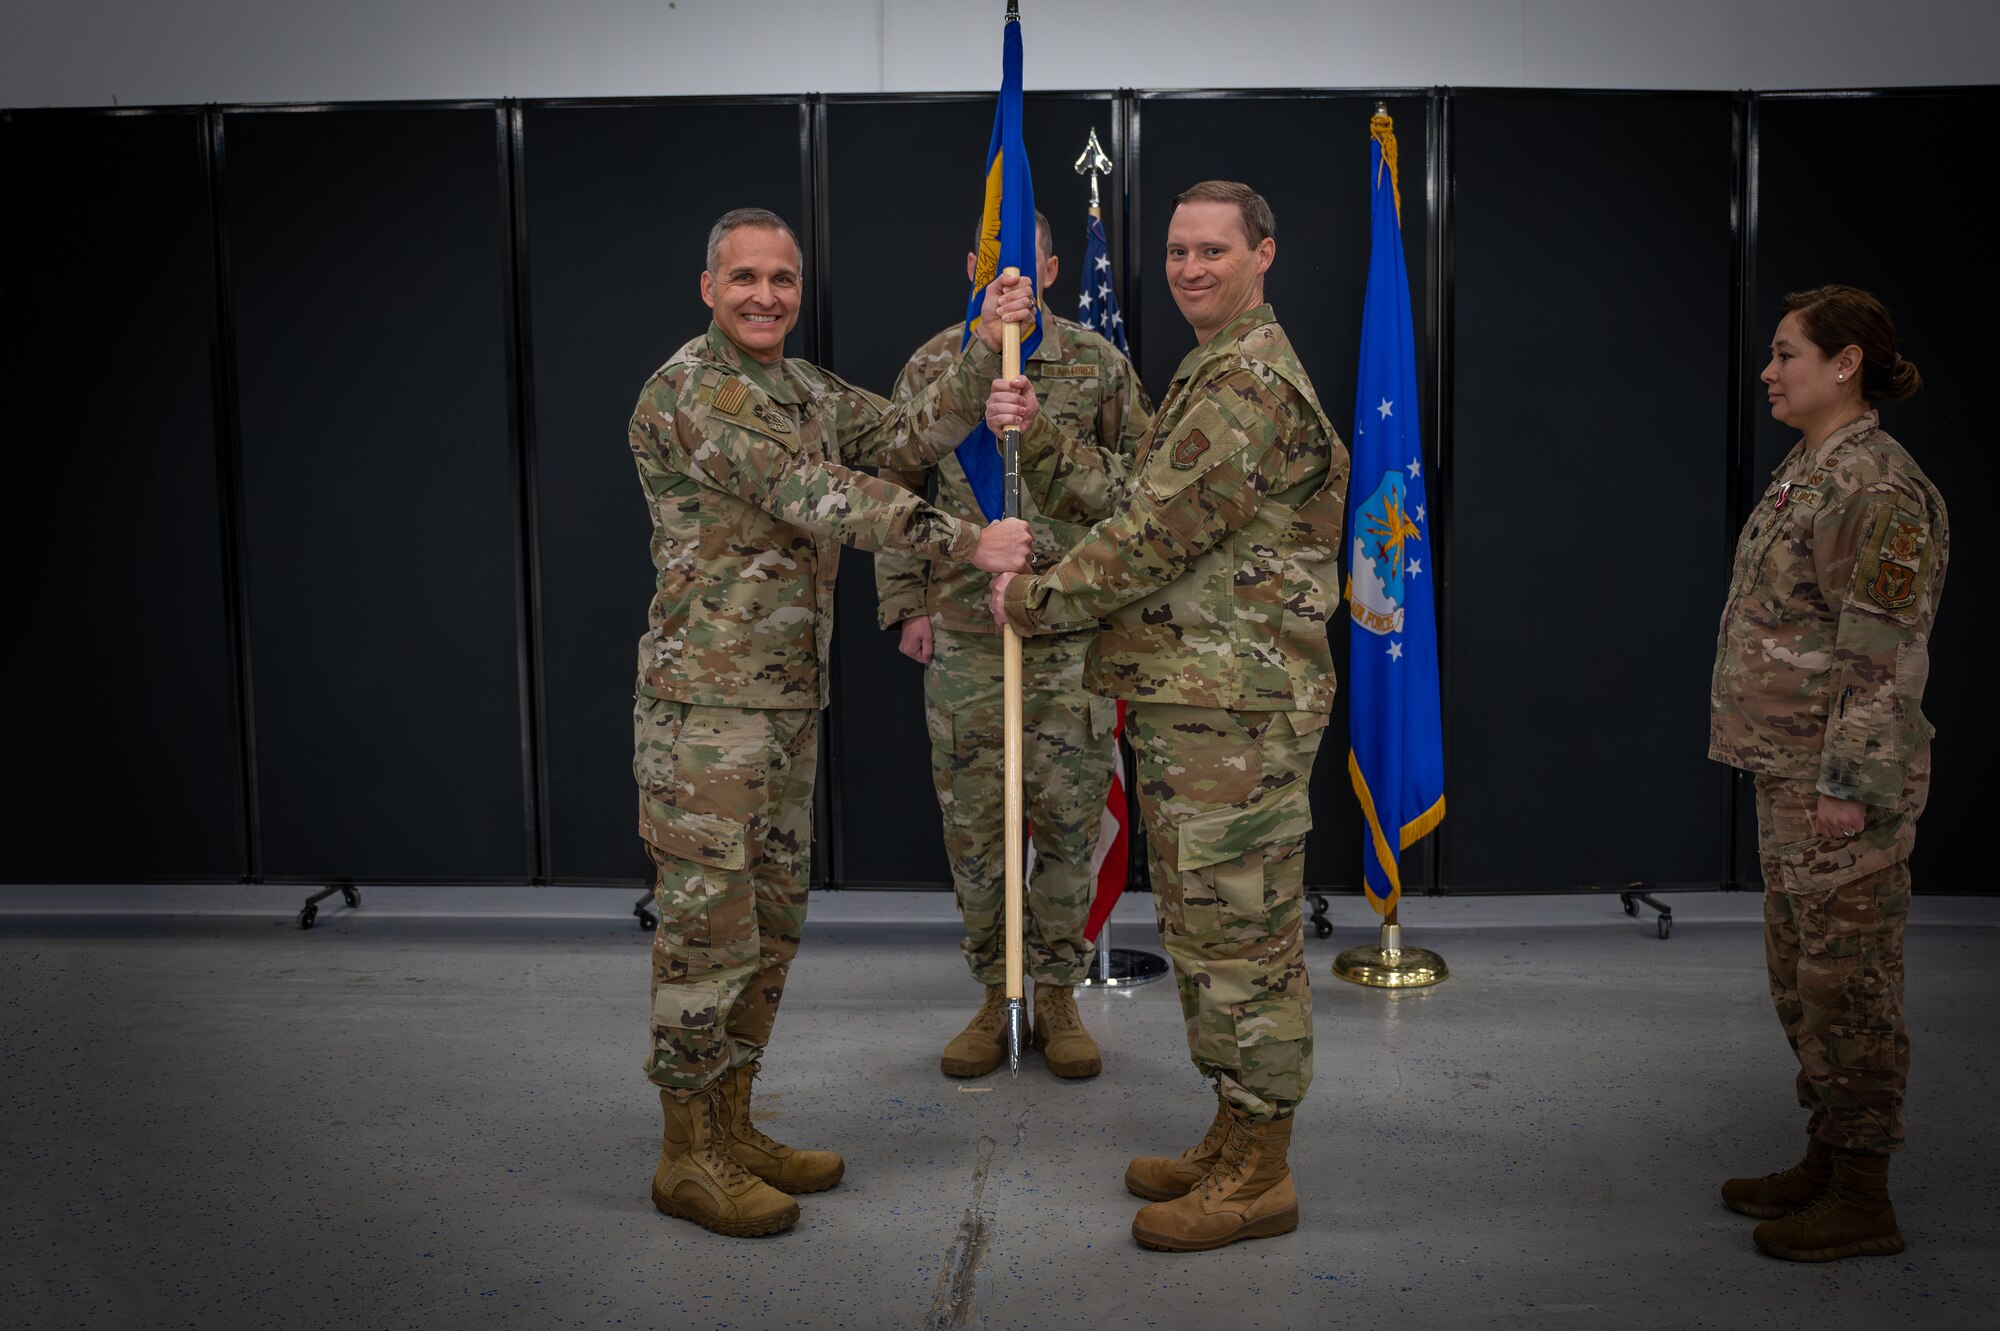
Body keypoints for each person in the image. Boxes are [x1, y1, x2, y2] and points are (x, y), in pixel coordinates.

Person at [628, 207, 1036, 1238]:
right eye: (745, 277)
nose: (765, 295)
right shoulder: (691, 393)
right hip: (704, 713)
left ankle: (731, 1120)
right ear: (706, 286)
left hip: (781, 703)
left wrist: (976, 354)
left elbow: (899, 436)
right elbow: (820, 493)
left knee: (768, 926)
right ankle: (685, 1152)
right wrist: (964, 539)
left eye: (782, 278)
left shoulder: (801, 386)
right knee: (704, 934)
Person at [986, 181, 1347, 1252]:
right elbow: (1135, 495)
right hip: (1197, 703)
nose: (1190, 268)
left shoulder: (1247, 385)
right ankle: (1234, 1132)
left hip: (1234, 713)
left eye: (1212, 251)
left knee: (1243, 939)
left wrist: (1033, 601)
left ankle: (1261, 1174)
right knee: (1205, 930)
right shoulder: (1208, 372)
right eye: (1178, 252)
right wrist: (1040, 434)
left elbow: (1145, 540)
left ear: (1263, 254)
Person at [875, 211, 1153, 1080]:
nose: (1012, 283)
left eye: (1027, 268)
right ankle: (998, 997)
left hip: (1069, 632)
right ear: (971, 268)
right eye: (995, 267)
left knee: (1072, 822)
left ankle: (1059, 996)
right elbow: (895, 479)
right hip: (964, 632)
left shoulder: (1098, 364)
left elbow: (1145, 491)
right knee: (975, 827)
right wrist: (904, 603)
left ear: (1054, 271)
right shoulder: (933, 365)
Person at [1710, 284, 1947, 1262]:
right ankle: (1824, 1151)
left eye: (1785, 353)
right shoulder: (1812, 468)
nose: (1768, 371)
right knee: (1802, 982)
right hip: (1792, 775)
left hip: (1837, 786)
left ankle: (1861, 1193)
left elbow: (1880, 650)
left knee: (1846, 986)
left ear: (1843, 362)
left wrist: (1847, 786)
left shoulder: (1874, 488)